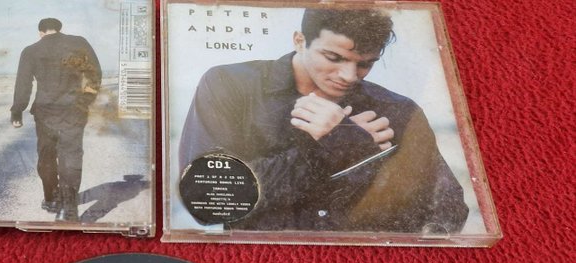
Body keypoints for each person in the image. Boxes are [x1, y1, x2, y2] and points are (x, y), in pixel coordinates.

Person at [179, 9, 468, 233]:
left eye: (365, 63)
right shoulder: (230, 85)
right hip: (265, 261)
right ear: (299, 40)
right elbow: (208, 201)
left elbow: (447, 209)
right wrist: (337, 146)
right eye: (333, 57)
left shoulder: (398, 109)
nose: (349, 76)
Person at [11, 18, 101, 222]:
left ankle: (51, 200)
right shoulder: (79, 42)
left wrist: (17, 111)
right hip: (74, 110)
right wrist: (86, 100)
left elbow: (23, 85)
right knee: (71, 155)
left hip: (45, 112)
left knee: (47, 155)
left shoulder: (30, 51)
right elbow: (94, 74)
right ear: (60, 29)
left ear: (41, 32)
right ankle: (69, 209)